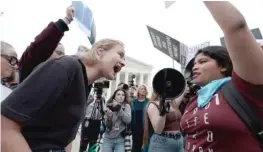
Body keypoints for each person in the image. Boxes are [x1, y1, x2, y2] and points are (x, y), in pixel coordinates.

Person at [1, 38, 126, 152]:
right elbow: (5, 124)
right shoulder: (66, 66)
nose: (124, 62)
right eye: (120, 54)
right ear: (100, 51)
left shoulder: (84, 83)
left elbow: (64, 138)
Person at [180, 2, 263, 152]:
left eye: (203, 61)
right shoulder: (195, 98)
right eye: (194, 64)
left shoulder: (245, 88)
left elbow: (236, 27)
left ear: (223, 65)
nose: (195, 67)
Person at [131, 85, 149, 152]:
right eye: (142, 89)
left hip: (145, 127)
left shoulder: (148, 101)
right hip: (135, 127)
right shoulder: (134, 101)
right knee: (135, 146)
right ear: (138, 91)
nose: (143, 90)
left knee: (144, 146)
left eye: (144, 89)